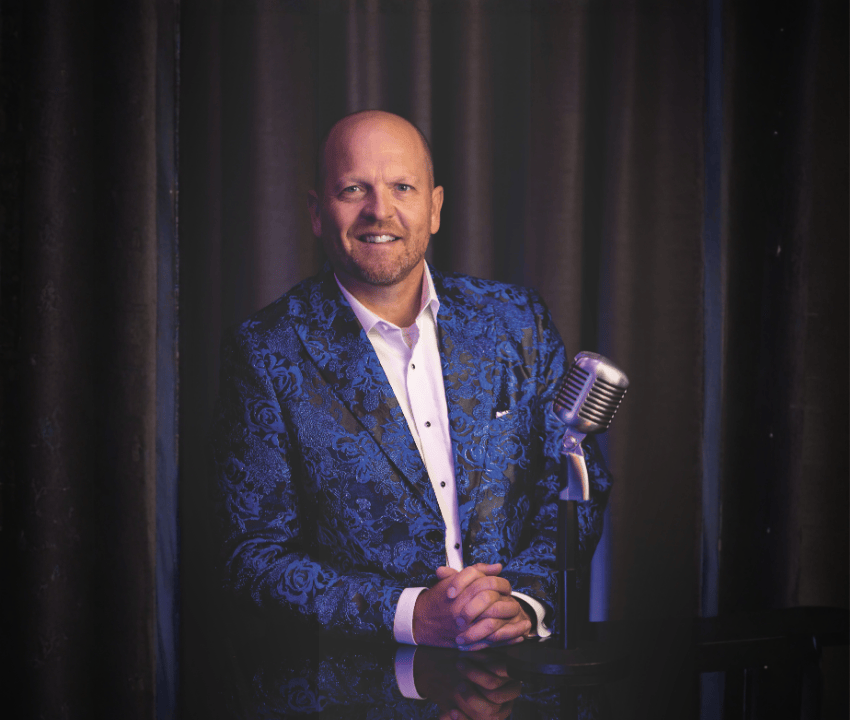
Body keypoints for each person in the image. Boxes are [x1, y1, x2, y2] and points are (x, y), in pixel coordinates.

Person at [212, 110, 611, 653]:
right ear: (315, 211)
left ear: (435, 207)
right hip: (361, 690)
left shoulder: (517, 322)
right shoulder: (265, 351)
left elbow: (577, 487)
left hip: (520, 678)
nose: (381, 210)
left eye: (403, 186)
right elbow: (252, 556)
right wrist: (408, 614)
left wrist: (522, 600)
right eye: (354, 189)